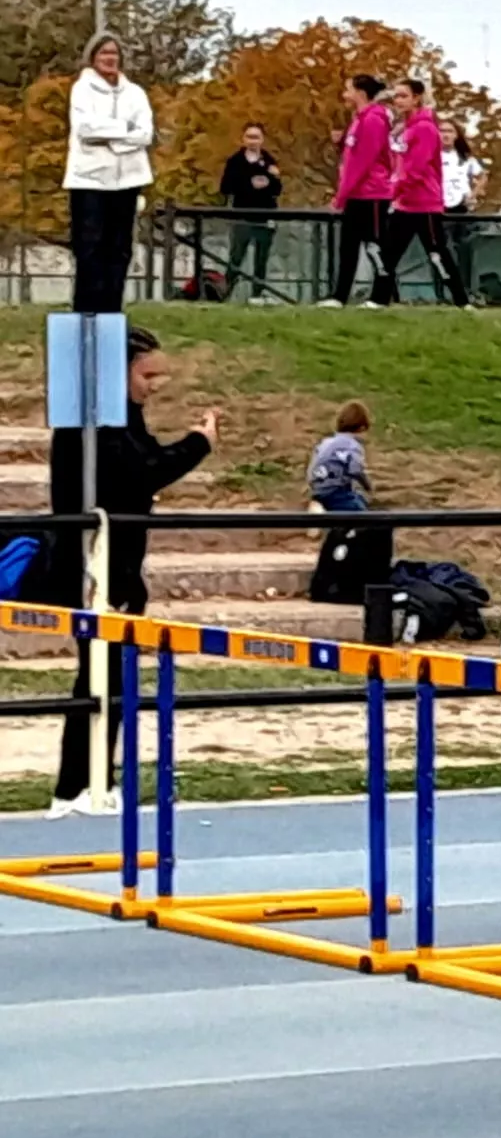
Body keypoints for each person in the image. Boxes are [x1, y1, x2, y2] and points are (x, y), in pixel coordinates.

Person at [46, 326, 217, 817]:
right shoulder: (97, 427)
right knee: (98, 680)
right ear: (117, 373)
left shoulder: (123, 421)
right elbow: (144, 472)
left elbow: (141, 470)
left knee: (110, 680)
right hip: (98, 567)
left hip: (117, 564)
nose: (153, 385)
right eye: (146, 375)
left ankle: (88, 781)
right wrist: (197, 443)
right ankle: (77, 785)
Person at [64, 32, 155, 314]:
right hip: (89, 180)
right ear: (93, 57)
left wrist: (111, 135)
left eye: (114, 53)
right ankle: (86, 311)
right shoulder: (82, 90)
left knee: (120, 249)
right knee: (90, 248)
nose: (110, 58)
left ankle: (112, 312)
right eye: (104, 52)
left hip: (128, 180)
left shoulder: (136, 93)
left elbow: (145, 134)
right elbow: (86, 130)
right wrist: (124, 131)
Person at [382, 80, 469, 308]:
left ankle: (461, 301)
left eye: (403, 96)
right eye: (396, 96)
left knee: (438, 253)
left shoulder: (426, 129)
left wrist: (390, 192)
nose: (398, 101)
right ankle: (378, 300)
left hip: (424, 204)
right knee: (389, 253)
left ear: (416, 98)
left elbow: (415, 169)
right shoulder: (405, 129)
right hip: (405, 203)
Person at [320, 74, 395, 308]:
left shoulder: (374, 119)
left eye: (348, 89)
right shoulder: (358, 119)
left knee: (374, 245)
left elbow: (364, 160)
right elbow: (353, 154)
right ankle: (339, 295)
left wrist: (341, 195)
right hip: (356, 193)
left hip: (372, 193)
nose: (345, 94)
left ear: (360, 93)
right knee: (348, 246)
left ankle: (382, 295)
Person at [217, 121, 283, 301]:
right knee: (236, 258)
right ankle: (224, 295)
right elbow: (225, 188)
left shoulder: (269, 160)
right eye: (249, 137)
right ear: (243, 139)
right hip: (242, 217)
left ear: (263, 140)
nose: (253, 141)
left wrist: (271, 180)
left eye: (256, 137)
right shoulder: (235, 161)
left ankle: (257, 296)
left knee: (261, 260)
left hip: (265, 216)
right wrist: (248, 184)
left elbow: (277, 190)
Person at [440, 120, 484, 302]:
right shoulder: (432, 156)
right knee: (441, 250)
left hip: (461, 207)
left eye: (449, 131)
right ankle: (443, 292)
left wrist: (473, 194)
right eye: (442, 131)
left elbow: (482, 177)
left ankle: (466, 290)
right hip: (439, 206)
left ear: (456, 135)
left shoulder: (465, 158)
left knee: (463, 249)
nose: (445, 134)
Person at [307, 401, 373, 512]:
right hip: (336, 491)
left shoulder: (326, 443)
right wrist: (368, 486)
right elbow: (356, 470)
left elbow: (311, 470)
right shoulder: (353, 445)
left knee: (357, 498)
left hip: (318, 490)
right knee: (364, 516)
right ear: (362, 428)